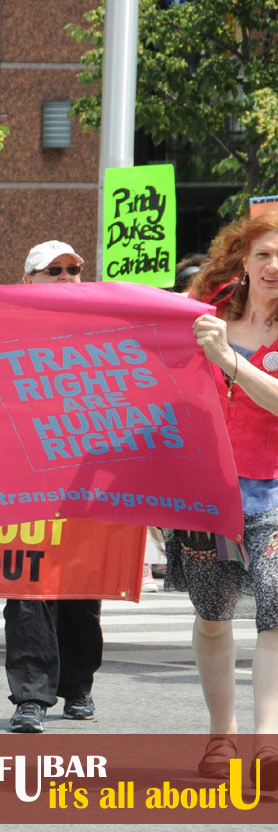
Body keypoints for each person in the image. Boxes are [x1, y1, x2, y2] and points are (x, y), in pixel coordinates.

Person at [172, 212, 278, 784]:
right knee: (212, 617)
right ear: (242, 259)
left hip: (275, 491)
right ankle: (223, 734)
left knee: (276, 608)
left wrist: (229, 361)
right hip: (205, 493)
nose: (274, 267)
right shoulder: (202, 317)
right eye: (263, 254)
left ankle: (268, 743)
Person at [6, 240, 101, 733]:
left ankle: (79, 685)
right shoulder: (1, 324)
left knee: (83, 584)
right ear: (28, 280)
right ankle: (30, 696)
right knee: (27, 582)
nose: (66, 277)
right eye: (54, 271)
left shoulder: (105, 327)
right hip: (23, 477)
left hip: (88, 477)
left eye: (73, 270)